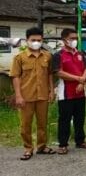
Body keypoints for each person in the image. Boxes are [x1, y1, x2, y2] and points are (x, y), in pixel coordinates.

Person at [10, 27, 55, 160]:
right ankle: (28, 148)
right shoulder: (20, 57)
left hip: (43, 95)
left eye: (39, 40)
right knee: (25, 124)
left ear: (42, 40)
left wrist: (52, 91)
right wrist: (18, 95)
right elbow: (15, 77)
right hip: (26, 96)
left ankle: (42, 146)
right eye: (33, 40)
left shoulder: (47, 56)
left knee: (42, 123)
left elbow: (50, 75)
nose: (36, 42)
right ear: (27, 40)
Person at [52, 28, 86, 154]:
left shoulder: (80, 54)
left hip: (80, 92)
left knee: (80, 118)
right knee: (65, 118)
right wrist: (78, 79)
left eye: (76, 38)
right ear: (64, 40)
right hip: (66, 93)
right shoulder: (58, 55)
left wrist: (82, 81)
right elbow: (59, 72)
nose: (74, 40)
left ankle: (80, 141)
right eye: (72, 38)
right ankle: (63, 144)